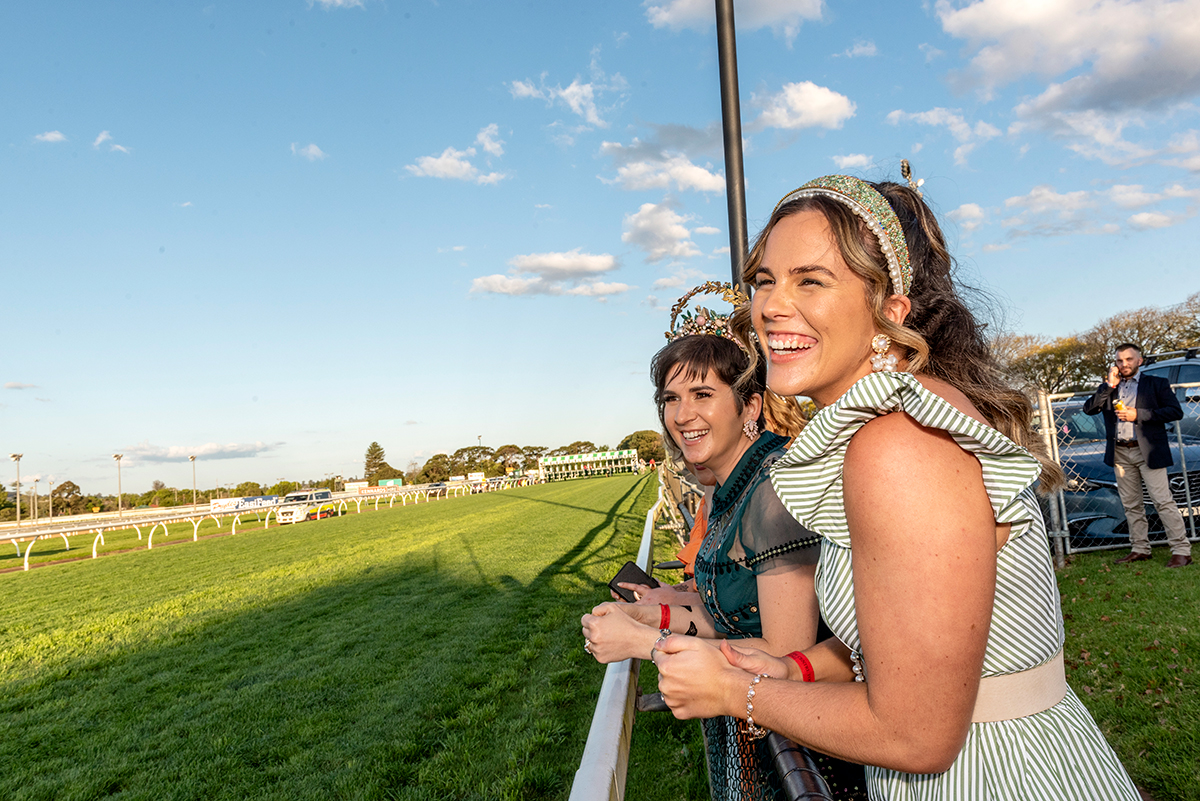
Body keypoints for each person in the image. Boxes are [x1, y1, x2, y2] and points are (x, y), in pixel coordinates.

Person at [652, 172, 1141, 800]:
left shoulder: (900, 441)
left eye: (811, 280)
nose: (771, 305)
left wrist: (735, 692)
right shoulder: (888, 425)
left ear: (890, 309)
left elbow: (918, 734)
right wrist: (791, 667)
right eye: (764, 281)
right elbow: (901, 645)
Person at [582, 283, 832, 800]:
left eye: (702, 394)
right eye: (670, 399)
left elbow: (786, 652)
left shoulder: (770, 487)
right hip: (746, 734)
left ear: (750, 406)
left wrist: (645, 645)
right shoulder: (725, 489)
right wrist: (657, 614)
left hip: (799, 754)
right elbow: (736, 610)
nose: (681, 415)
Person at [1083, 343, 1192, 567]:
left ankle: (1181, 550)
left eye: (1129, 359)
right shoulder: (1110, 387)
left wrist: (1138, 414)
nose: (1124, 364)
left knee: (1163, 501)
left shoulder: (1156, 383)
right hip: (1121, 453)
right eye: (1120, 361)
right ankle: (1140, 548)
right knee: (1131, 505)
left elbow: (1175, 412)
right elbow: (1089, 409)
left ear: (1139, 361)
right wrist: (1108, 385)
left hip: (1148, 451)